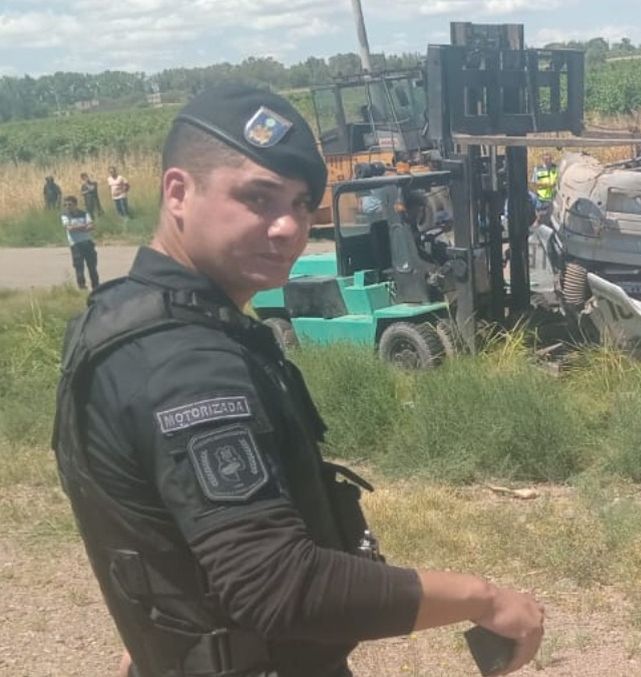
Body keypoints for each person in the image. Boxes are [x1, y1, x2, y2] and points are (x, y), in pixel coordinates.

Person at [52, 84, 544, 677]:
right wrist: (483, 598)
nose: (288, 226)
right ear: (179, 193)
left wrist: (165, 623)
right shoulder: (185, 365)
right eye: (259, 198)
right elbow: (278, 585)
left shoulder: (119, 316)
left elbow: (152, 517)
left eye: (302, 203)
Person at [61, 195, 99, 290]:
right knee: (79, 267)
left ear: (75, 204)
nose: (67, 207)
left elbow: (91, 226)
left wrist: (77, 227)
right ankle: (82, 287)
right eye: (65, 205)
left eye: (69, 204)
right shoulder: (65, 215)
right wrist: (84, 227)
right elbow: (69, 228)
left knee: (92, 266)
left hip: (87, 243)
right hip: (76, 245)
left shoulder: (84, 213)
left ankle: (96, 286)